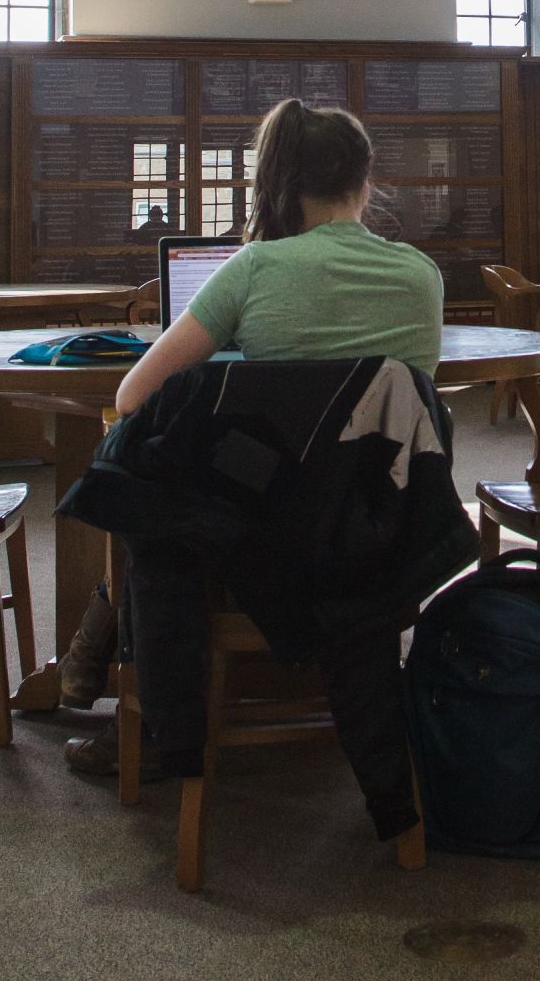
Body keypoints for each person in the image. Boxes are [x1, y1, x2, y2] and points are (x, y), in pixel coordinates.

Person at [62, 96, 444, 777]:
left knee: (154, 489)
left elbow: (131, 397)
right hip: (381, 539)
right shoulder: (422, 277)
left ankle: (157, 725)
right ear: (364, 180)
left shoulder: (252, 270)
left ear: (279, 183)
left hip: (265, 543)